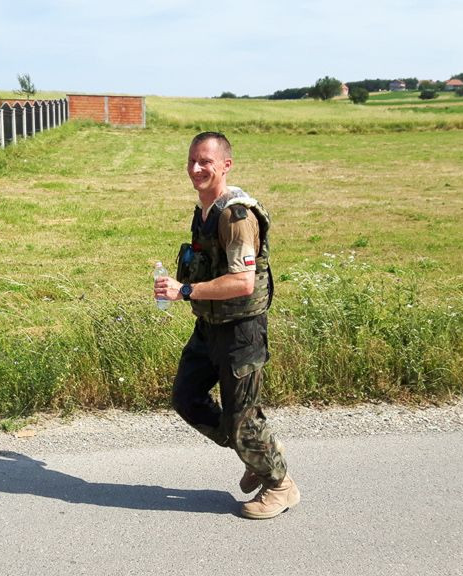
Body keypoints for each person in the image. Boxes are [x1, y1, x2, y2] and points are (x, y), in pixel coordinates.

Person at [154, 131, 299, 520]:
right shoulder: (204, 212)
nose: (197, 168)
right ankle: (257, 448)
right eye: (192, 161)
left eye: (206, 161)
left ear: (225, 165)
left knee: (241, 419)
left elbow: (242, 282)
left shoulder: (236, 216)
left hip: (241, 332)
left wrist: (184, 290)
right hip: (208, 328)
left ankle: (280, 484)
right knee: (187, 398)